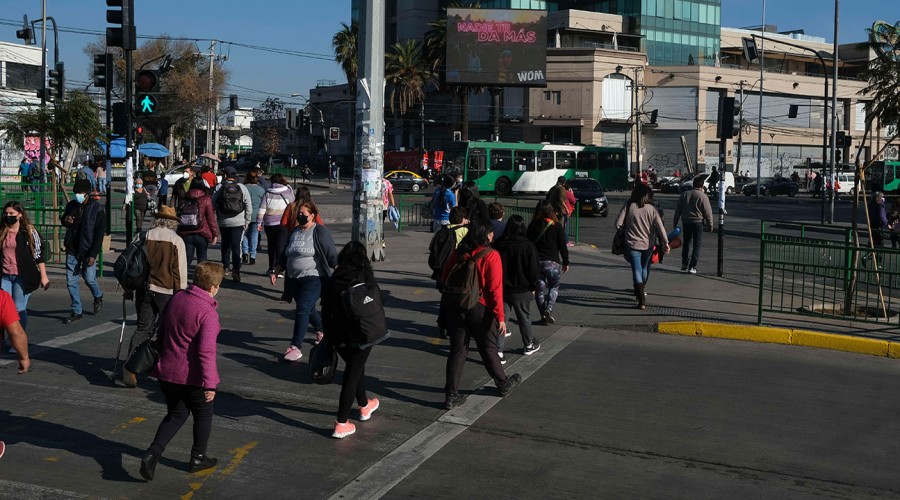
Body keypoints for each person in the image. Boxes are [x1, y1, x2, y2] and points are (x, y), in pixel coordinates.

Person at [139, 261, 224, 481]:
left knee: (176, 415)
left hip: (166, 372)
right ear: (214, 286)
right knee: (203, 415)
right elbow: (205, 351)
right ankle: (198, 457)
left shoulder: (177, 298)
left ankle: (152, 453)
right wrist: (210, 383)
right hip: (192, 377)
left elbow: (162, 330)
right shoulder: (208, 313)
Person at [441, 220, 521, 409]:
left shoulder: (459, 253)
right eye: (491, 233)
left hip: (457, 307)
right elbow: (495, 290)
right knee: (488, 348)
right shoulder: (491, 255)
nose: (493, 236)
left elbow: (445, 277)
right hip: (480, 308)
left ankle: (451, 395)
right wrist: (500, 317)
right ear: (485, 235)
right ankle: (502, 383)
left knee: (458, 350)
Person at [321, 241, 382, 439]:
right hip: (361, 333)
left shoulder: (334, 279)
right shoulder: (363, 275)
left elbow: (325, 311)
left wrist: (328, 337)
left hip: (338, 335)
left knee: (356, 368)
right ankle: (341, 422)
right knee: (351, 373)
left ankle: (364, 405)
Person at [122, 206, 188, 388]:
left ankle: (130, 368)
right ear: (172, 222)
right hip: (167, 292)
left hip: (144, 289)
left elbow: (132, 264)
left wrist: (128, 287)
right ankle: (163, 367)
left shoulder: (143, 236)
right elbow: (180, 273)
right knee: (168, 331)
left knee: (142, 329)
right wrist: (182, 294)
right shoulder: (176, 241)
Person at [270, 202, 336, 361]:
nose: (300, 216)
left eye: (303, 214)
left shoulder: (319, 231)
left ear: (312, 216)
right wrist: (277, 269)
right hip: (294, 279)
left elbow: (331, 253)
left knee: (303, 307)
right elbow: (286, 253)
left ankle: (295, 347)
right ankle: (322, 330)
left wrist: (339, 271)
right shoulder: (295, 232)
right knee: (308, 309)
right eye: (298, 213)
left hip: (313, 278)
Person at [0, 202, 49, 351]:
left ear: (20, 214)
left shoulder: (28, 231)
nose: (8, 217)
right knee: (2, 309)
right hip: (5, 275)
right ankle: (2, 341)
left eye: (12, 214)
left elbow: (38, 255)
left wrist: (44, 276)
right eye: (6, 214)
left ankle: (17, 340)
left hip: (23, 276)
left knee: (18, 309)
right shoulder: (2, 230)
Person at [493, 215, 541, 358]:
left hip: (502, 288)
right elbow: (533, 270)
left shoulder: (498, 244)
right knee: (524, 318)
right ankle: (528, 344)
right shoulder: (527, 246)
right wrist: (533, 286)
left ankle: (498, 350)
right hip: (521, 289)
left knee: (501, 320)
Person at [616, 184, 669, 310]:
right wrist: (666, 243)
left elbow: (618, 224)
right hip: (648, 244)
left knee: (636, 269)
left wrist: (627, 230)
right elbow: (661, 227)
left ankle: (641, 299)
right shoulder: (652, 209)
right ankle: (642, 289)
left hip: (632, 244)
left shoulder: (629, 206)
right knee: (644, 267)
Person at [61, 179, 106, 324]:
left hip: (87, 250)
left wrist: (93, 254)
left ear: (87, 194)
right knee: (71, 281)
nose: (77, 195)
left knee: (89, 278)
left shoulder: (97, 209)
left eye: (80, 193)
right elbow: (64, 219)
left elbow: (99, 234)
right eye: (76, 193)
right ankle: (76, 310)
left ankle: (98, 295)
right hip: (73, 249)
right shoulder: (72, 205)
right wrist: (66, 219)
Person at [527, 201, 570, 325]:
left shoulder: (532, 226)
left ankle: (543, 315)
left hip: (537, 263)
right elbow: (562, 246)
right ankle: (549, 309)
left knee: (539, 289)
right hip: (552, 262)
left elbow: (528, 245)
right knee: (554, 286)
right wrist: (566, 262)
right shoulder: (556, 226)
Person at [433, 207, 469, 339]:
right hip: (457, 269)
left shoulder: (442, 230)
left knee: (445, 298)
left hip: (442, 268)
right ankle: (452, 327)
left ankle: (442, 325)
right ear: (462, 219)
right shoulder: (464, 231)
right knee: (456, 300)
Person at [212, 166, 252, 282]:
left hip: (224, 222)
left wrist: (217, 217)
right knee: (236, 246)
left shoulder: (220, 187)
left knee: (225, 245)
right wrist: (247, 220)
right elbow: (248, 205)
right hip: (238, 222)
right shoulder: (242, 187)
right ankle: (236, 270)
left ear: (225, 176)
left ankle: (225, 267)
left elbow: (213, 203)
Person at [673, 175, 714, 274]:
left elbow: (678, 210)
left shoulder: (685, 194)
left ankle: (684, 263)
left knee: (686, 243)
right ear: (702, 186)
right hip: (698, 223)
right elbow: (708, 213)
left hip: (686, 222)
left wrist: (675, 222)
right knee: (697, 244)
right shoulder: (703, 197)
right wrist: (710, 225)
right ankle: (692, 266)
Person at [257, 173, 295, 275]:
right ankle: (279, 269)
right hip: (283, 223)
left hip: (269, 224)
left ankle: (271, 267)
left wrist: (259, 222)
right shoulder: (287, 192)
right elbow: (293, 207)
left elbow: (262, 209)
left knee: (271, 246)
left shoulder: (268, 192)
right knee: (280, 247)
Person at [176, 180, 218, 269]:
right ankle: (201, 280)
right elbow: (211, 218)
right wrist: (215, 234)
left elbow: (178, 216)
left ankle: (182, 280)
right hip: (202, 233)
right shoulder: (206, 199)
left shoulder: (183, 199)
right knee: (202, 259)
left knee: (186, 259)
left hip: (185, 233)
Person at [241, 169, 266, 265]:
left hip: (244, 214)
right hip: (257, 215)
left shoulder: (243, 188)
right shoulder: (261, 189)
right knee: (254, 235)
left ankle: (245, 253)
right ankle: (253, 256)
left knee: (244, 234)